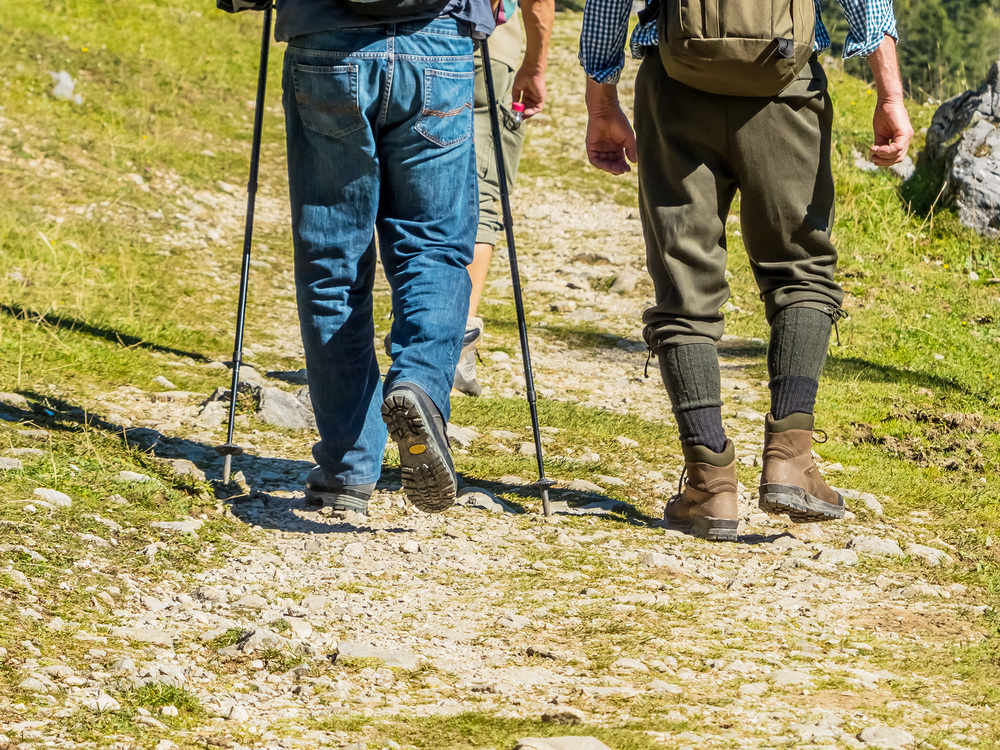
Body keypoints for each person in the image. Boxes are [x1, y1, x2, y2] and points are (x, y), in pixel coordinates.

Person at [580, 0, 913, 541]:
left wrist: (602, 99)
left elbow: (606, 3)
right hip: (784, 87)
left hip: (676, 86)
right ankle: (790, 459)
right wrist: (889, 93)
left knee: (685, 285)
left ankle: (710, 486)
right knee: (800, 271)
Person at [275, 0, 494, 516]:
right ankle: (418, 382)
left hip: (327, 41)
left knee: (333, 262)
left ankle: (347, 469)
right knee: (434, 245)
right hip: (440, 42)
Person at [455, 0, 554, 396]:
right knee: (481, 193)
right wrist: (535, 64)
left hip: (397, 40)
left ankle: (419, 332)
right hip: (489, 49)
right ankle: (452, 342)